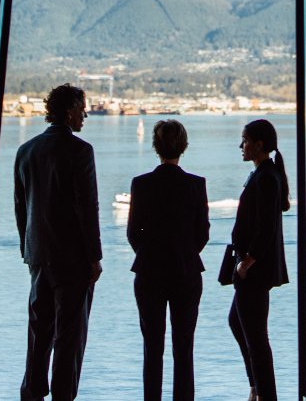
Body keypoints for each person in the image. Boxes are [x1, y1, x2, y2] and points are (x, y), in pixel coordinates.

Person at [15, 84, 103, 401]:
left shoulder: (26, 150)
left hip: (38, 256)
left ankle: (32, 393)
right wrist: (94, 257)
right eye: (82, 109)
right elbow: (87, 208)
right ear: (69, 112)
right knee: (70, 335)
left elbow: (20, 207)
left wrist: (29, 252)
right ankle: (63, 396)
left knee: (38, 332)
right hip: (74, 259)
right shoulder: (81, 151)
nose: (86, 114)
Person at [127, 120, 209, 401]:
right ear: (183, 146)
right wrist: (185, 251)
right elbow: (202, 233)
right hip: (186, 272)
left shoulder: (141, 184)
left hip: (149, 272)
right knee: (184, 349)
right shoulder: (196, 185)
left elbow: (132, 232)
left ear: (155, 146)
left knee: (152, 348)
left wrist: (149, 252)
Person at [228, 119, 290, 401]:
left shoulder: (265, 177)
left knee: (256, 336)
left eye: (245, 140)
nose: (241, 146)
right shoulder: (263, 174)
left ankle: (263, 392)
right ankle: (257, 387)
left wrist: (247, 262)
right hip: (251, 268)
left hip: (253, 270)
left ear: (259, 144)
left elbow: (265, 228)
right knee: (239, 323)